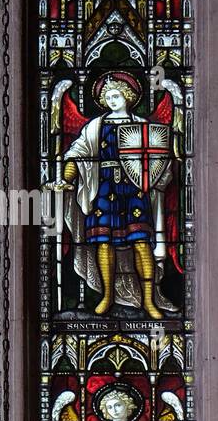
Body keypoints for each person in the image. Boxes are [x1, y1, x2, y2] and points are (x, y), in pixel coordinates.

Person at [61, 73, 173, 318]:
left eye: (116, 95)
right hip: (105, 188)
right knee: (104, 243)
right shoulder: (96, 126)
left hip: (134, 189)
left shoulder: (142, 125)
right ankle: (107, 296)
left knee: (141, 242)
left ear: (128, 96)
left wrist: (155, 180)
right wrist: (66, 178)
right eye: (108, 97)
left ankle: (148, 300)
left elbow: (159, 159)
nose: (112, 100)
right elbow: (77, 152)